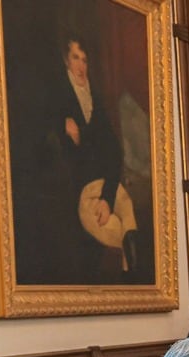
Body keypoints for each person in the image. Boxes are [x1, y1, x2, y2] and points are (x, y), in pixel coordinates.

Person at [55, 35, 141, 276]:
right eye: (75, 58)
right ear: (66, 61)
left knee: (129, 210)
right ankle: (132, 278)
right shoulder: (60, 102)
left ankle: (134, 279)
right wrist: (63, 128)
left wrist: (107, 197)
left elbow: (114, 154)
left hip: (108, 187)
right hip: (83, 193)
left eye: (85, 60)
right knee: (116, 227)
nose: (81, 66)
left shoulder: (98, 105)